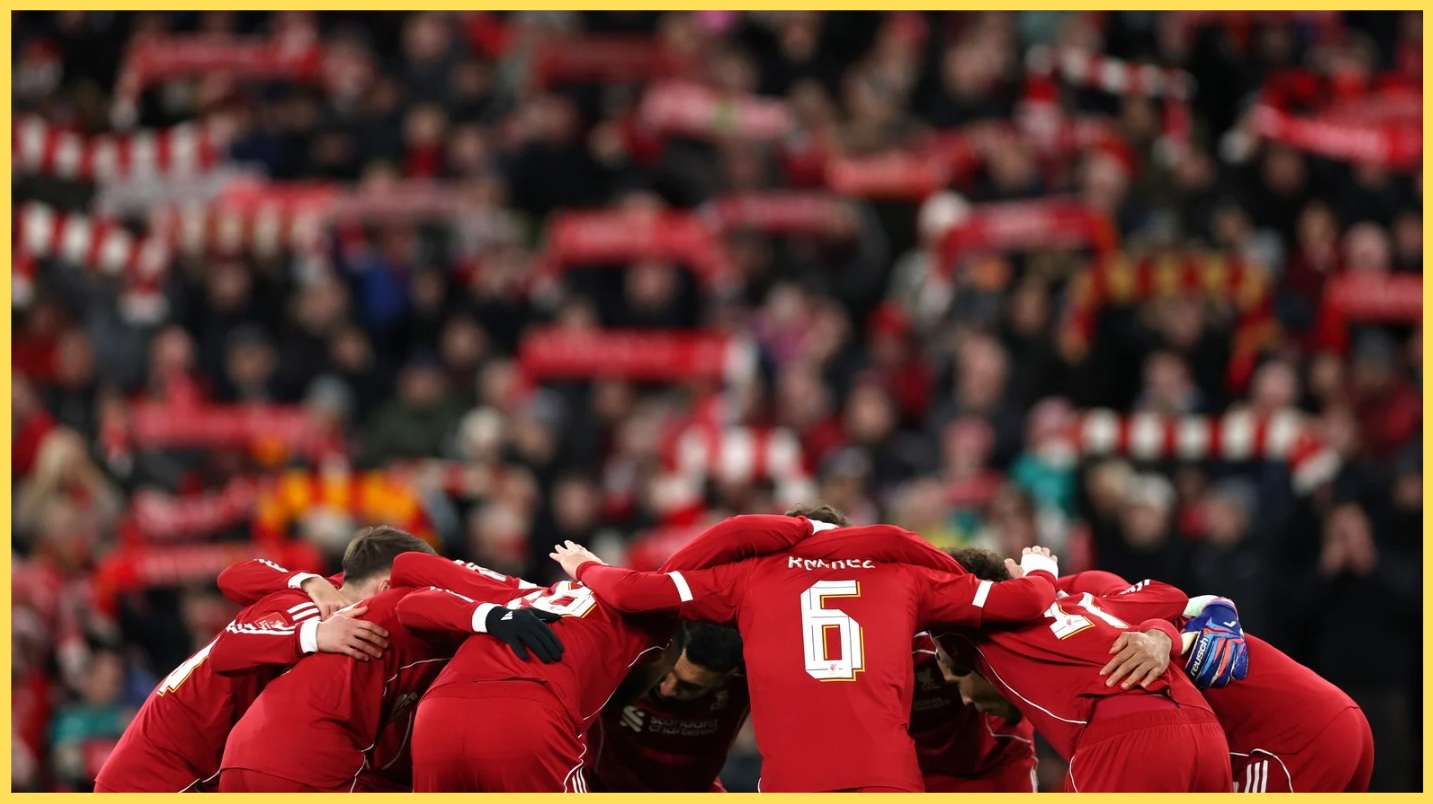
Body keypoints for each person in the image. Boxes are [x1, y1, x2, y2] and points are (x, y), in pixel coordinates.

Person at [549, 503, 1059, 793]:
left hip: (795, 786)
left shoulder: (748, 576)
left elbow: (634, 593)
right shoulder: (904, 573)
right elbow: (1026, 602)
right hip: (889, 780)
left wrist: (589, 567)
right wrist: (1041, 568)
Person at [392, 513, 826, 793]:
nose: (664, 687)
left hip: (436, 720)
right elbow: (720, 543)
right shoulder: (652, 612)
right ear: (669, 649)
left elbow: (407, 573)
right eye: (668, 673)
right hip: (529, 719)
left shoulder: (529, 594)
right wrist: (811, 533)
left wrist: (488, 617)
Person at [774, 533, 1232, 792]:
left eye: (955, 676)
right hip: (1206, 731)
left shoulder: (965, 627)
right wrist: (1162, 633)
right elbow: (1175, 597)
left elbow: (917, 578)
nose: (961, 694)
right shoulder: (1084, 600)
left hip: (1120, 737)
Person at [217, 531, 561, 793]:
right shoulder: (394, 602)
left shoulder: (328, 606)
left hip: (237, 756)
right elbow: (414, 604)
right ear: (390, 583)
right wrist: (491, 616)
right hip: (305, 761)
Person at [93, 527, 428, 793]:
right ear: (386, 588)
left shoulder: (327, 597)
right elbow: (228, 649)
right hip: (158, 772)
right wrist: (311, 635)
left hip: (196, 769)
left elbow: (234, 577)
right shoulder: (306, 609)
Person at [1056, 571, 1374, 793]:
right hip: (1338, 717)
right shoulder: (1121, 604)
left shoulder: (1109, 621)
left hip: (1291, 742)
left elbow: (1155, 619)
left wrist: (1164, 637)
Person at [587, 622, 751, 792]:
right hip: (600, 787)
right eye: (668, 672)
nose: (666, 690)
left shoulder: (748, 678)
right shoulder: (632, 652)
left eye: (689, 686)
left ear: (726, 677)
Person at [908, 632, 1038, 792]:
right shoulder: (903, 642)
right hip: (907, 768)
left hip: (989, 767)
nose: (967, 701)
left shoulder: (1010, 739)